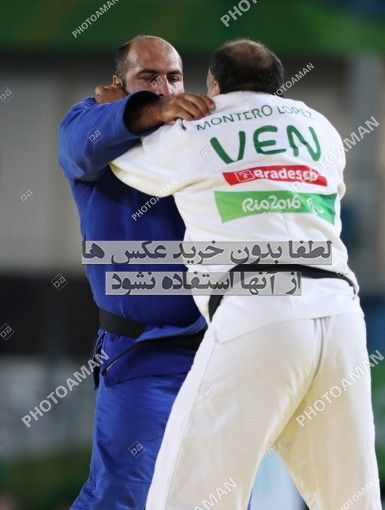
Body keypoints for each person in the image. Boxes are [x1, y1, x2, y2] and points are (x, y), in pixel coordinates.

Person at [110, 39, 382, 509]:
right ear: (278, 83)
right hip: (340, 318)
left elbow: (118, 155)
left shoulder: (196, 126)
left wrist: (117, 108)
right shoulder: (321, 128)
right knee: (351, 499)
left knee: (187, 497)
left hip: (257, 310)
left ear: (213, 84)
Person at [58, 35, 215, 509]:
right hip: (141, 354)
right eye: (148, 77)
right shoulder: (90, 124)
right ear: (117, 84)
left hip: (217, 351)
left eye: (173, 78)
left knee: (218, 492)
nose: (165, 88)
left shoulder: (200, 132)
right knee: (123, 493)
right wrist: (148, 112)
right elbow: (79, 146)